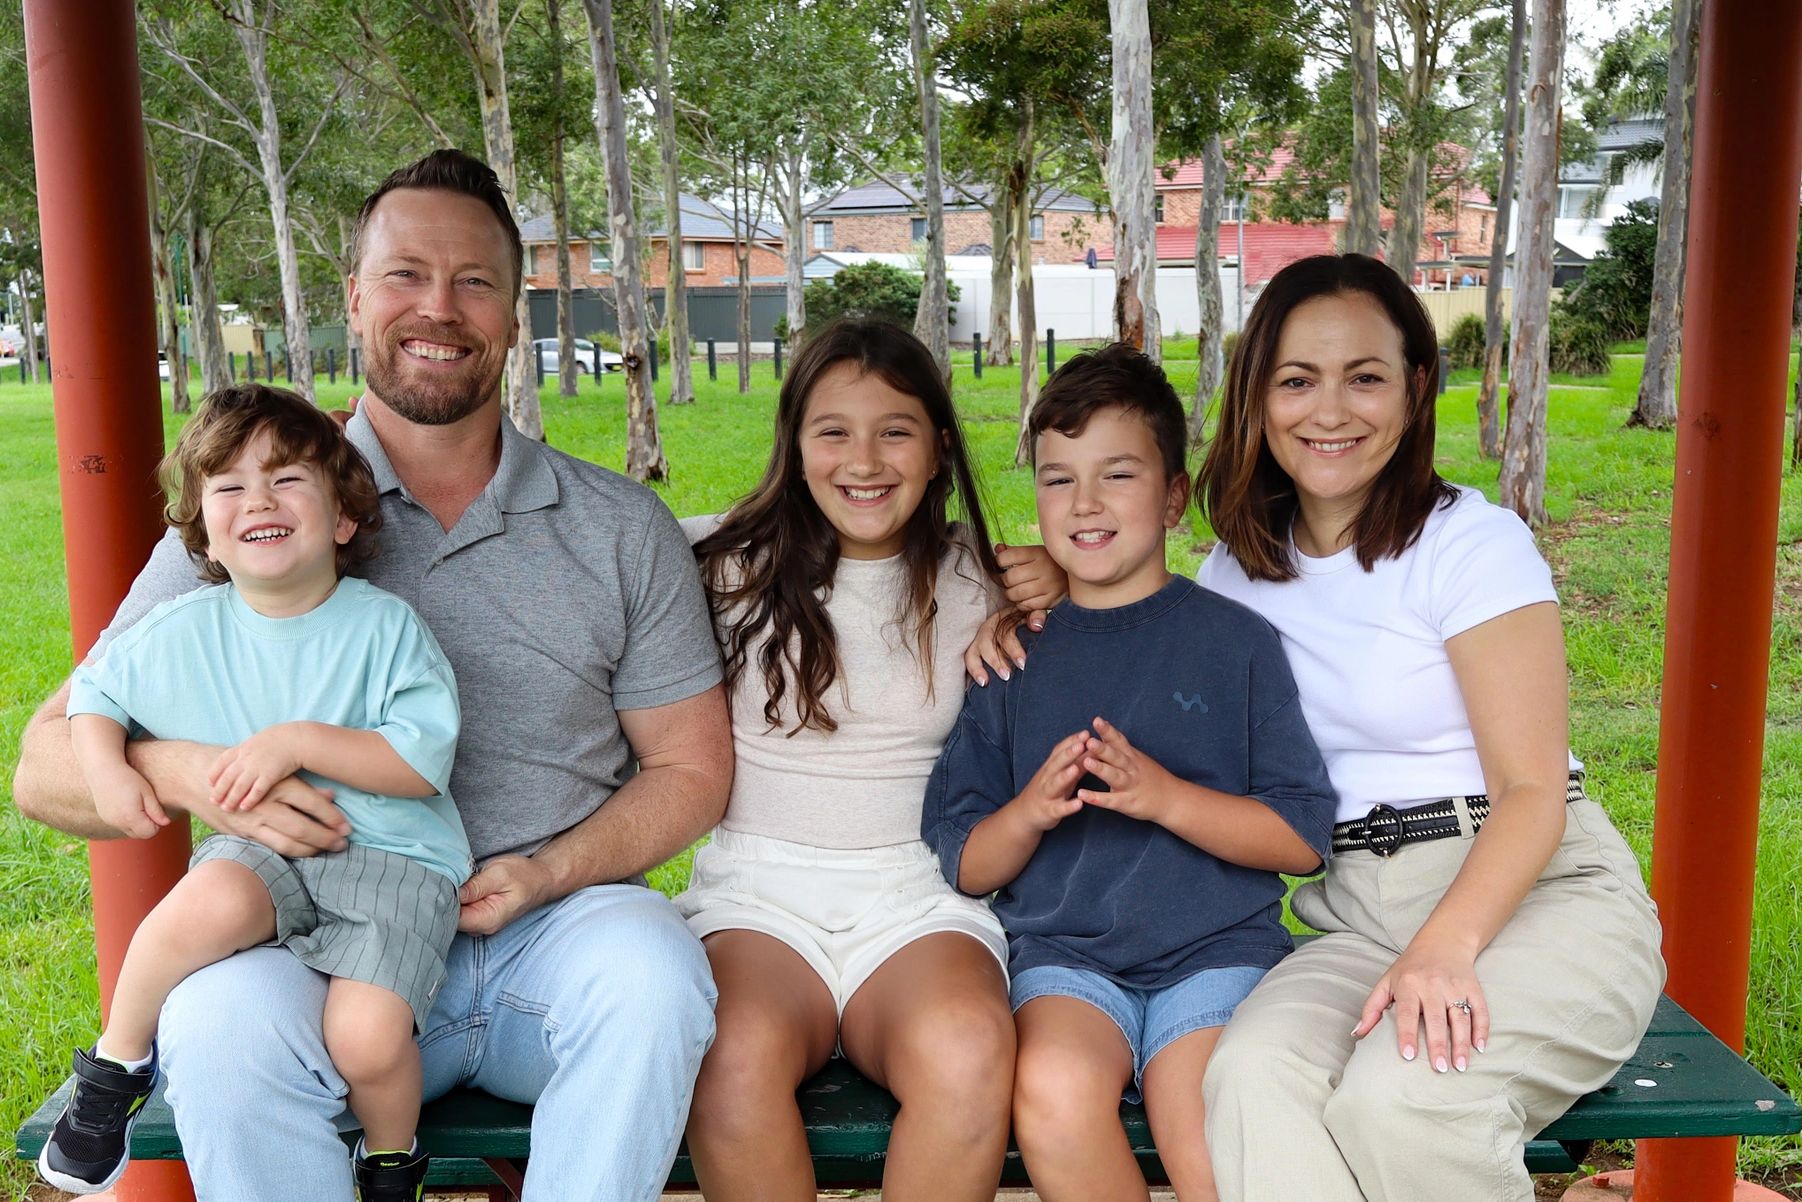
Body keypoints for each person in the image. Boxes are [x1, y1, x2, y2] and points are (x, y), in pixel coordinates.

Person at [13, 149, 732, 1202]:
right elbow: (44, 765)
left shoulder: (619, 527)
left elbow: (690, 768)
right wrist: (187, 769)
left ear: (514, 312)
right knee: (212, 1020)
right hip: (312, 928)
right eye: (404, 274)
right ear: (353, 297)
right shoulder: (254, 512)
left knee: (655, 978)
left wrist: (547, 873)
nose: (438, 307)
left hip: (551, 932)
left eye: (474, 280)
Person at [969, 255, 1666, 1201]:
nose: (1329, 410)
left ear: (1416, 386)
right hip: (1357, 912)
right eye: (1297, 380)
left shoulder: (1471, 545)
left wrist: (1444, 946)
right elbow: (1147, 610)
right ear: (1259, 396)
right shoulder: (1237, 572)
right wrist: (1062, 583)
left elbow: (1533, 789)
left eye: (1364, 377)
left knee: (1406, 1101)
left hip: (1531, 890)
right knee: (1249, 1083)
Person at [923, 345, 1337, 1202]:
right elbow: (967, 863)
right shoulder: (1010, 657)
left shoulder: (1234, 642)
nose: (1085, 503)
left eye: (1117, 475)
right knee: (1052, 1090)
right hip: (1065, 961)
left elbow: (1301, 839)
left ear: (1174, 497)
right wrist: (1030, 812)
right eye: (1058, 479)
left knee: (1201, 1114)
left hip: (1217, 954)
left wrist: (1165, 798)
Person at [40, 384, 467, 1199]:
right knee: (204, 904)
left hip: (395, 861)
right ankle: (117, 1066)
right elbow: (93, 696)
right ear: (203, 533)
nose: (259, 500)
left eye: (287, 479)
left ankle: (390, 1160)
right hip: (261, 849)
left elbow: (421, 763)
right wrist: (108, 769)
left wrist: (296, 742)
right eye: (230, 486)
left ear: (343, 518)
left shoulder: (384, 628)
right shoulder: (185, 628)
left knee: (367, 1040)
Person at [675, 319, 1028, 1201]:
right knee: (729, 1050)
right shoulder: (717, 566)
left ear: (938, 448)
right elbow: (580, 554)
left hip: (919, 897)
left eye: (894, 431)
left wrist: (1056, 586)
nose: (863, 461)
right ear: (795, 448)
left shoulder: (984, 577)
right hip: (758, 897)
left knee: (968, 1047)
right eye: (833, 431)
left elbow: (1121, 592)